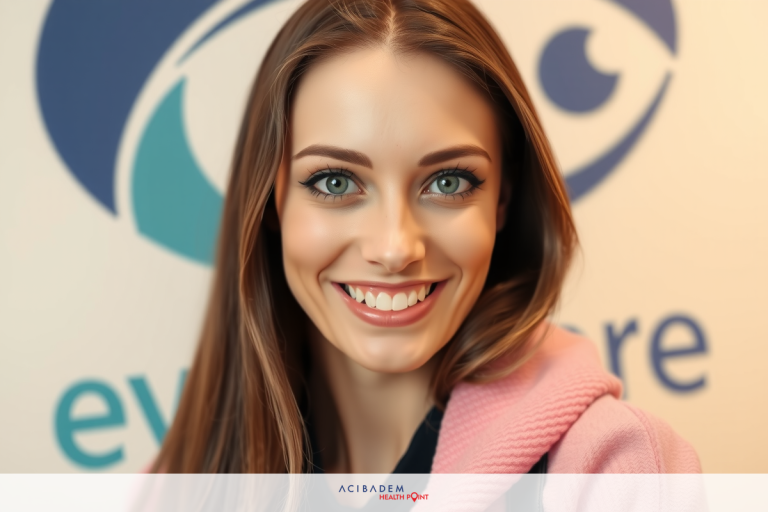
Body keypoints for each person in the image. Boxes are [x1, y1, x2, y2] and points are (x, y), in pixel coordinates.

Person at [152, 0, 700, 474]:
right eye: (336, 182)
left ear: (503, 199)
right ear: (271, 201)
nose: (394, 248)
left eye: (448, 182)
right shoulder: (174, 487)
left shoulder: (617, 470)